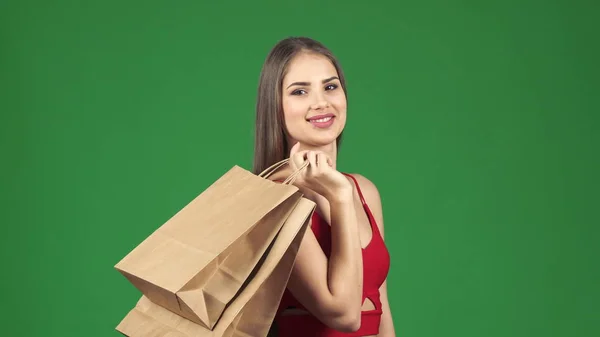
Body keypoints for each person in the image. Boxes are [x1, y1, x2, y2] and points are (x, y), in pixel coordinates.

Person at [253, 36, 395, 337]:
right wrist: (340, 198)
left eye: (330, 86)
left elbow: (380, 305)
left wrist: (345, 191)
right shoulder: (276, 199)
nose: (321, 102)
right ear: (276, 106)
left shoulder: (364, 190)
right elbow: (344, 315)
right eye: (300, 91)